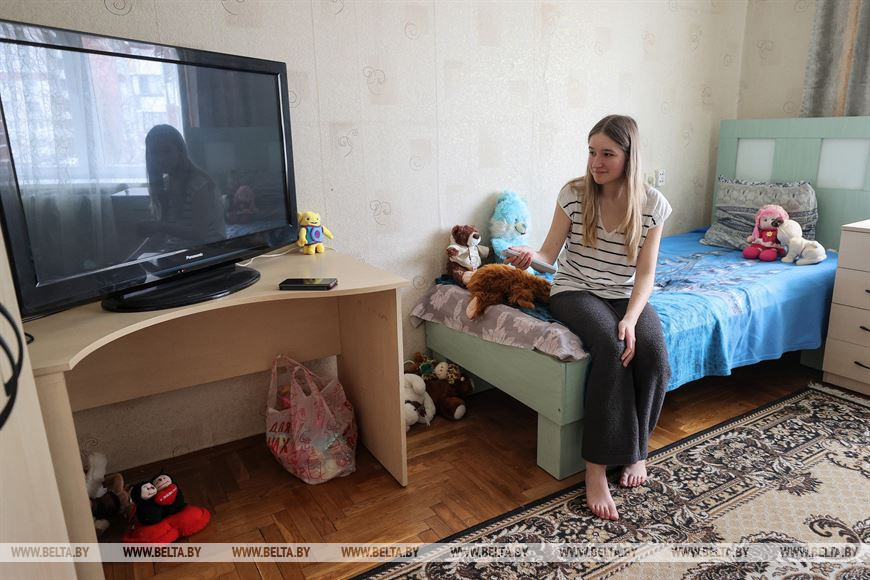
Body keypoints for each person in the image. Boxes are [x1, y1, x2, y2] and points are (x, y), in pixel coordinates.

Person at [506, 114, 671, 521]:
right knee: (611, 348)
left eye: (607, 154)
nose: (596, 162)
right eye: (592, 152)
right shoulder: (574, 194)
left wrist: (631, 318)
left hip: (624, 294)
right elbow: (549, 254)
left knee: (653, 354)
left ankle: (637, 450)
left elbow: (646, 275)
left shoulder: (653, 205)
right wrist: (530, 257)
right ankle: (595, 469)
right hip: (574, 289)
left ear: (629, 156)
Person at [138, 124, 225, 247]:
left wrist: (160, 226)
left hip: (207, 252)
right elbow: (161, 235)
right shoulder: (166, 184)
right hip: (178, 251)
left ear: (180, 151)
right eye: (155, 152)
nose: (161, 158)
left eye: (167, 151)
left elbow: (199, 233)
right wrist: (135, 257)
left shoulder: (199, 184)